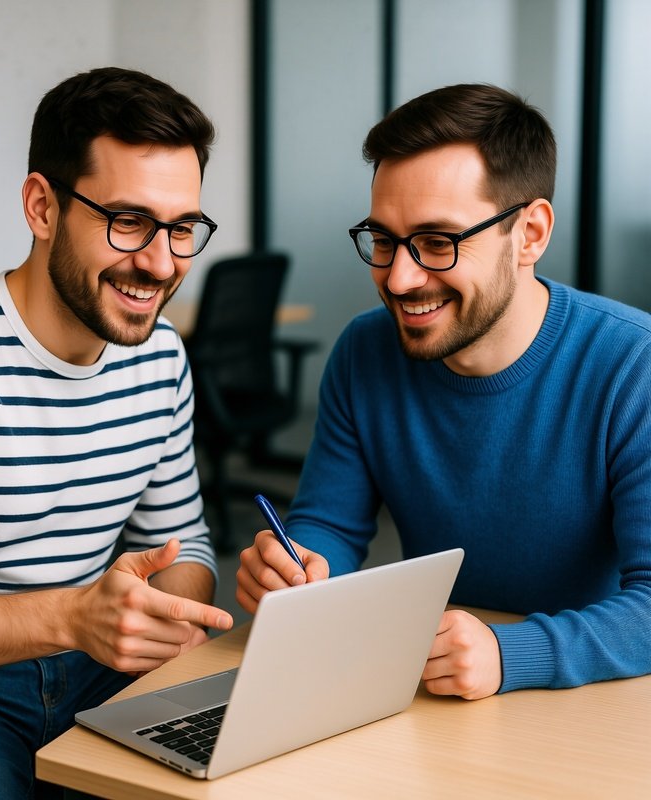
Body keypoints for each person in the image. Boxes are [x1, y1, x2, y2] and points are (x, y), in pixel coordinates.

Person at [0, 67, 233, 799]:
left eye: (182, 228)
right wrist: (75, 616)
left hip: (97, 664)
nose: (161, 263)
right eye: (128, 220)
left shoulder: (160, 356)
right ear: (42, 207)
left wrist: (168, 614)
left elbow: (186, 541)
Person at [236, 83, 651, 701]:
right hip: (434, 683)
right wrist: (298, 569)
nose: (400, 278)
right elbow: (330, 524)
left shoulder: (631, 363)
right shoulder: (364, 352)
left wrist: (511, 655)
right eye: (383, 241)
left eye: (438, 242)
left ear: (530, 233)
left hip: (590, 695)